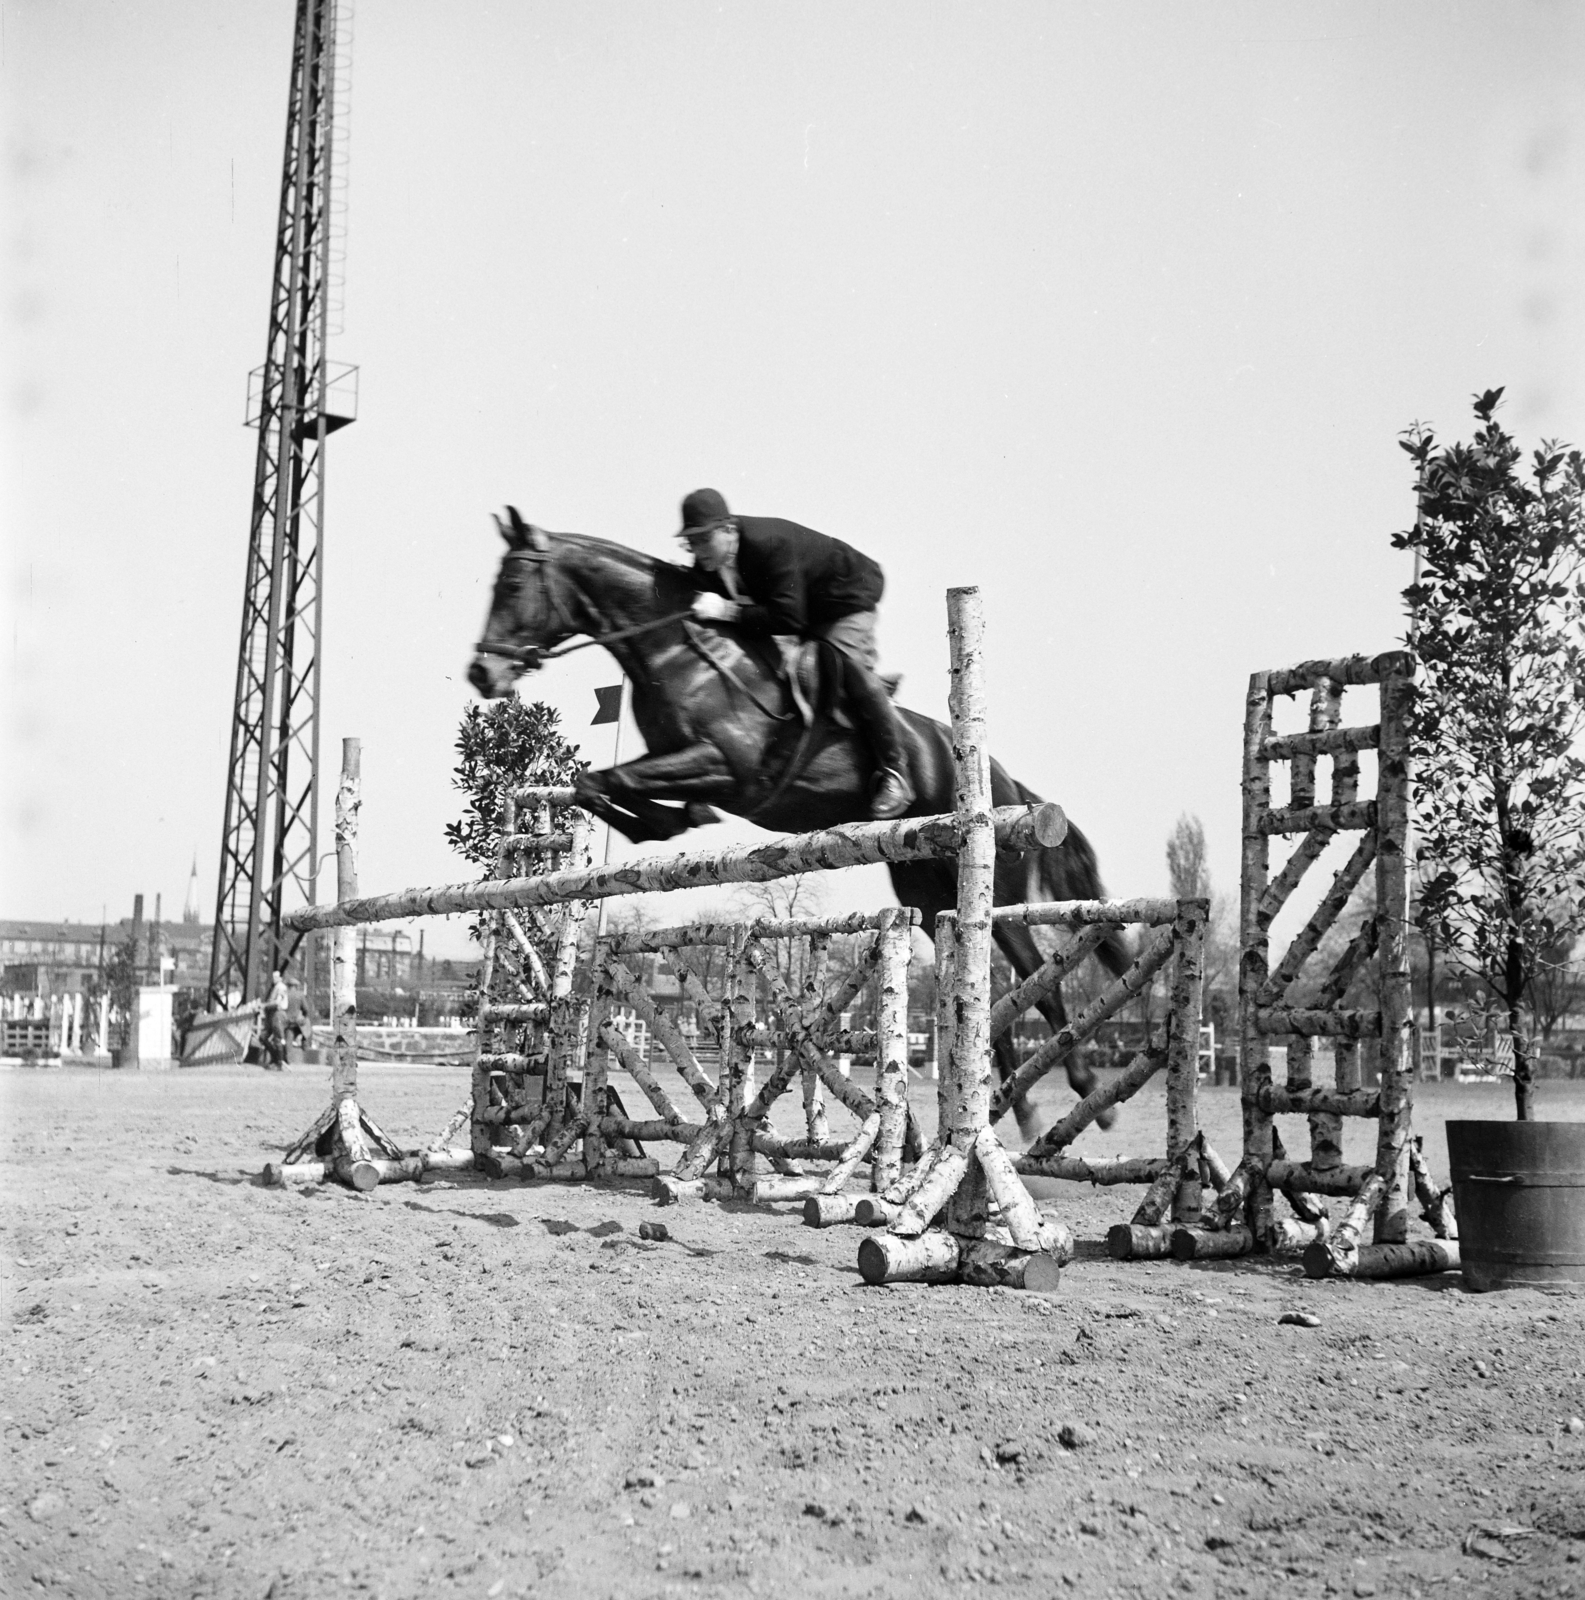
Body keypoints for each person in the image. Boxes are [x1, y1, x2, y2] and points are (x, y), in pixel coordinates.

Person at [677, 488, 915, 820]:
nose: (697, 551)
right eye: (691, 542)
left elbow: (789, 619)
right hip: (805, 606)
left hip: (846, 597)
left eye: (703, 540)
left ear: (728, 530)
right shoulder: (712, 561)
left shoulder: (768, 545)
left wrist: (729, 611)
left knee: (842, 662)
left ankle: (896, 773)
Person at [261, 963, 289, 1071]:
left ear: (280, 978)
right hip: (272, 1014)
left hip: (278, 1014)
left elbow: (277, 1002)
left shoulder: (281, 987)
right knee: (263, 1037)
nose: (274, 979)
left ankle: (280, 1063)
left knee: (278, 1038)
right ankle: (275, 1058)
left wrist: (265, 1005)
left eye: (276, 977)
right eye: (273, 977)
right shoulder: (275, 987)